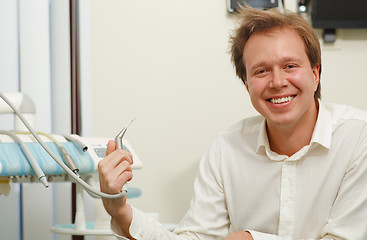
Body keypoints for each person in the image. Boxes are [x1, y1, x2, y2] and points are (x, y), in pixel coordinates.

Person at [98, 6, 367, 240]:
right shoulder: (226, 149)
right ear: (246, 83)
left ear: (315, 74)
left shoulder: (359, 138)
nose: (276, 82)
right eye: (261, 71)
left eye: (290, 66)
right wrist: (120, 210)